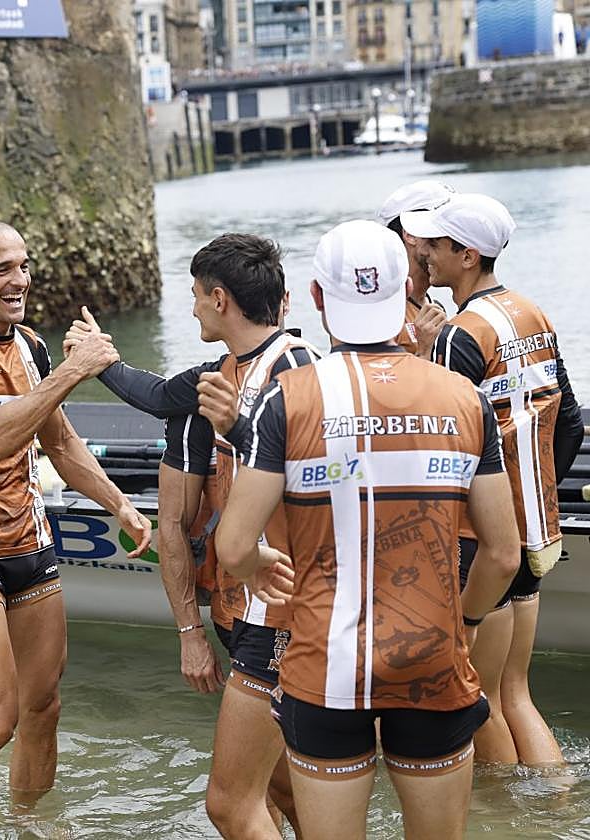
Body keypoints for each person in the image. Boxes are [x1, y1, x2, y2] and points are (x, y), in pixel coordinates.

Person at [215, 219, 520, 840]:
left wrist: (258, 568)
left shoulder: (288, 399)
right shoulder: (464, 399)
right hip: (432, 662)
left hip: (325, 667)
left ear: (320, 299)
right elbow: (503, 554)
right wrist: (462, 621)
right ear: (408, 284)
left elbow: (234, 545)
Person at [66, 233, 318, 838]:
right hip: (248, 615)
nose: (192, 309)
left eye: (196, 297)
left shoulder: (300, 372)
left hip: (283, 615)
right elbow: (157, 397)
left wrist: (243, 425)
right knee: (280, 786)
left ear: (221, 298)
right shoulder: (223, 373)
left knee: (229, 805)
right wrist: (101, 360)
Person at [0, 219, 152, 832]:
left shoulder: (33, 349)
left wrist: (119, 504)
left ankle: (30, 825)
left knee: (42, 707)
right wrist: (75, 371)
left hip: (30, 538)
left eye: (23, 266)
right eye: (2, 270)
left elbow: (62, 444)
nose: (19, 281)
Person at [403, 194, 583, 766]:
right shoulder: (534, 314)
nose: (425, 254)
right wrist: (536, 485)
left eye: (435, 244)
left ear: (468, 254)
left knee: (477, 700)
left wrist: (427, 354)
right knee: (515, 695)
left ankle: (510, 816)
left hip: (480, 543)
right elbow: (570, 420)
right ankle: (554, 801)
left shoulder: (459, 335)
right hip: (536, 530)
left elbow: (435, 441)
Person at [377, 180, 454, 357]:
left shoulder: (433, 306)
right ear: (410, 234)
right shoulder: (386, 313)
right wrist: (424, 350)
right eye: (444, 229)